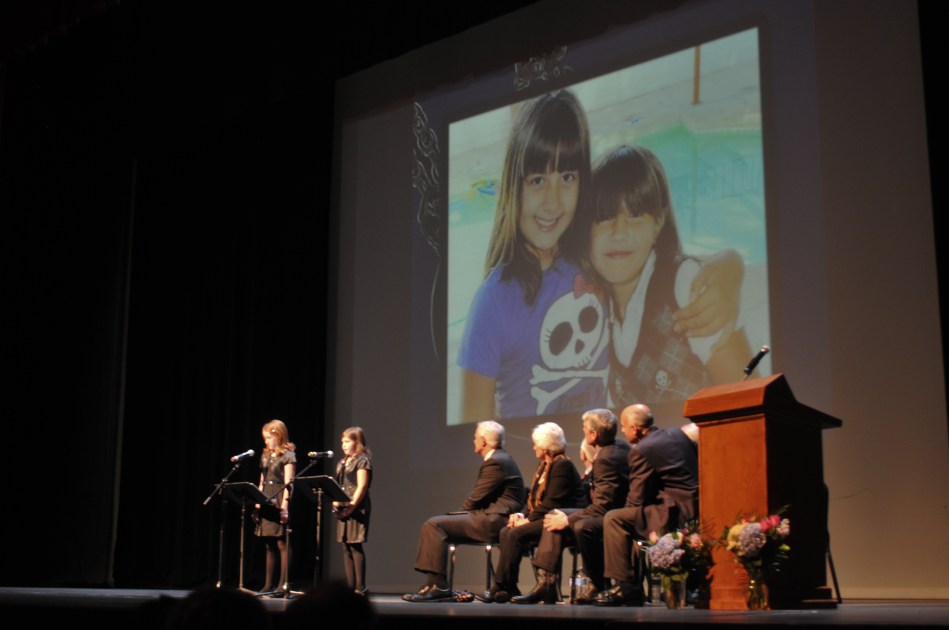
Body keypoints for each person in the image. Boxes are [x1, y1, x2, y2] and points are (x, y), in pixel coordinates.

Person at [458, 89, 609, 422]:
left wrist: (724, 267)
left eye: (566, 178)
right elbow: (474, 425)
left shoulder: (599, 260)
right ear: (516, 186)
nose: (552, 202)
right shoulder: (494, 300)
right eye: (538, 180)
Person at [583, 145, 751, 406]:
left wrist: (732, 264)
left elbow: (750, 400)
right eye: (604, 217)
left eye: (635, 216)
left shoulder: (686, 284)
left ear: (658, 222)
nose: (619, 232)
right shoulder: (596, 309)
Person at [512, 408, 629, 604]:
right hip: (605, 510)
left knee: (570, 522)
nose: (582, 431)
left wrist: (567, 520)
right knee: (554, 515)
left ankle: (590, 583)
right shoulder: (619, 446)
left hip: (613, 514)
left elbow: (602, 507)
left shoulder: (605, 458)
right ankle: (546, 583)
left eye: (585, 428)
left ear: (594, 434)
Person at [403, 421, 525, 602]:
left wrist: (457, 516)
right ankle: (433, 584)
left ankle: (438, 586)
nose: (473, 441)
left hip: (494, 522)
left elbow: (476, 498)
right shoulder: (502, 458)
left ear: (483, 441)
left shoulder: (496, 462)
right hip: (493, 517)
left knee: (435, 525)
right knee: (437, 524)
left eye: (475, 437)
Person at [594, 403, 699, 606]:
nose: (622, 430)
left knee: (614, 519)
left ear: (635, 428)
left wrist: (629, 514)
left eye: (624, 426)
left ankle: (627, 587)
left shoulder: (642, 449)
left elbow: (636, 499)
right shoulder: (678, 434)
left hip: (675, 512)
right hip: (697, 506)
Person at [476, 422, 586, 603]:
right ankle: (509, 586)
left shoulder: (562, 465)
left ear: (545, 447)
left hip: (564, 519)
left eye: (536, 444)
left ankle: (502, 585)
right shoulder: (544, 465)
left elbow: (551, 502)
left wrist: (528, 521)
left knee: (516, 534)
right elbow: (533, 499)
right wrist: (522, 515)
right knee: (506, 531)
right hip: (546, 516)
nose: (534, 447)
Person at [254, 419, 296, 597]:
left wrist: (284, 506)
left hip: (279, 497)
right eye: (264, 438)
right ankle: (267, 584)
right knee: (268, 543)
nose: (266, 441)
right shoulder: (265, 455)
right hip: (265, 497)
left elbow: (289, 483)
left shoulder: (288, 455)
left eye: (269, 438)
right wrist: (257, 504)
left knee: (281, 542)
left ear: (278, 436)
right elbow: (262, 480)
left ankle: (283, 584)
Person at [333, 426, 372, 595]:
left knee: (355, 545)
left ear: (357, 442)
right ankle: (350, 588)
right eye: (342, 441)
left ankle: (360, 587)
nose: (343, 445)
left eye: (347, 441)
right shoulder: (342, 462)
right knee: (345, 546)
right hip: (343, 506)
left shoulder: (362, 460)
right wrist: (335, 503)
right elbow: (338, 485)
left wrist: (351, 506)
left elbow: (361, 486)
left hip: (357, 506)